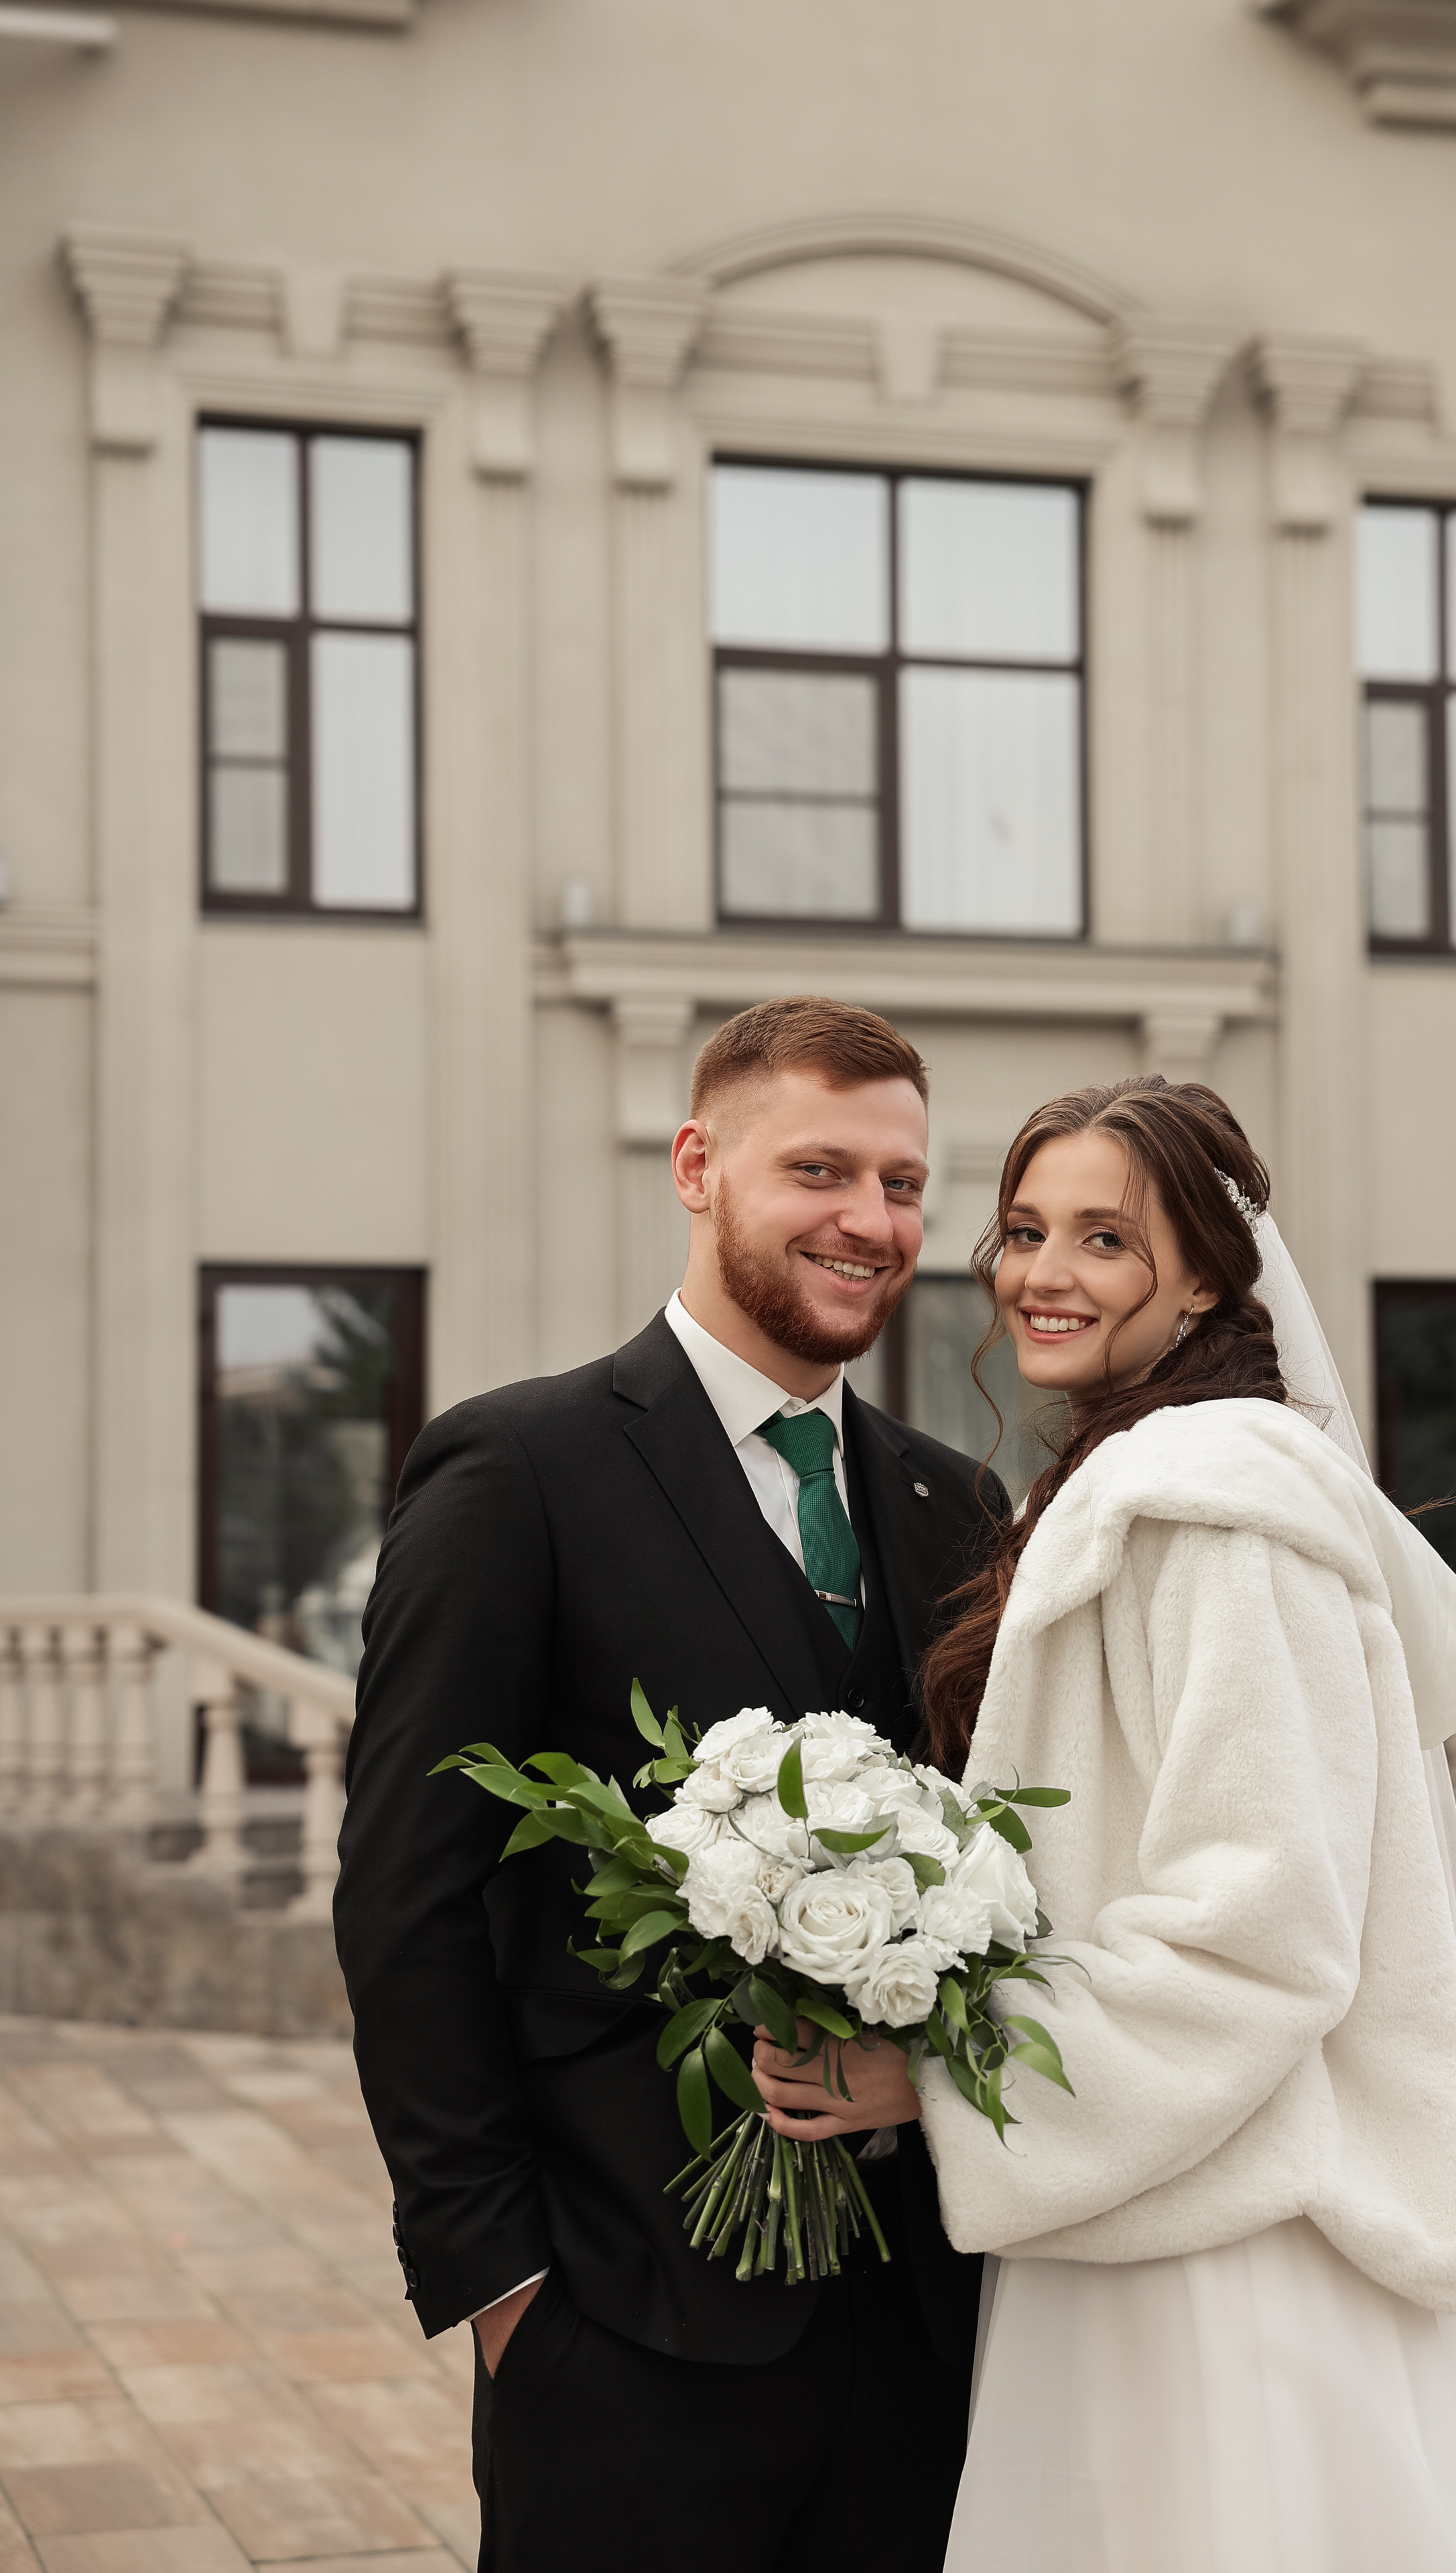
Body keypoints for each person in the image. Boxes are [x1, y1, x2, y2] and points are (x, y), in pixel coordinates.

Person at [750, 1075, 1456, 2573]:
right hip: (1140, 2196)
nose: (1039, 1275)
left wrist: (933, 2080)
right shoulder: (1135, 1482)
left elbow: (1260, 1929)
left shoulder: (1205, 1512)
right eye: (1019, 1229)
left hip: (1213, 2262)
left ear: (1204, 1274)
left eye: (1103, 1240)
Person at [333, 997, 1003, 2573]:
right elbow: (405, 1900)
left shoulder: (950, 1500)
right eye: (819, 1170)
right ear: (697, 1166)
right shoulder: (517, 1472)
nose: (871, 1221)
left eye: (903, 1185)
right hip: (619, 2326)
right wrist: (501, 2287)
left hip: (924, 2339)